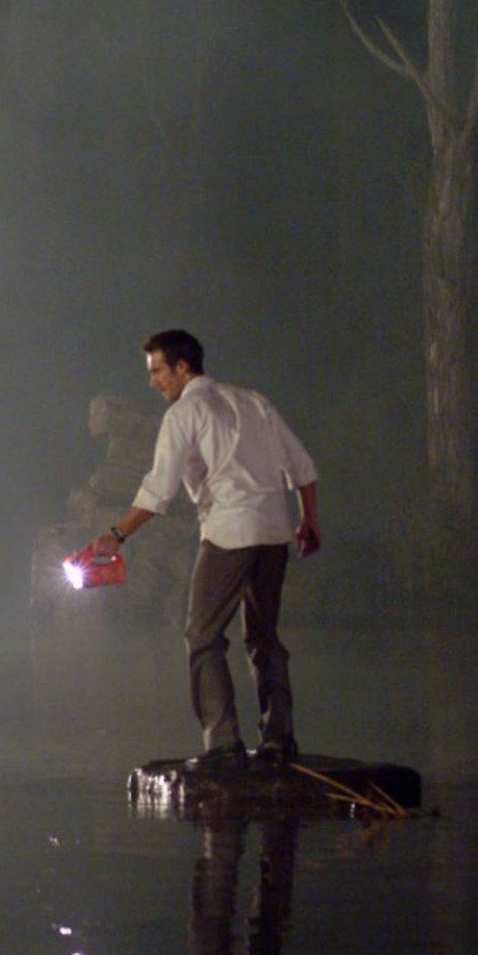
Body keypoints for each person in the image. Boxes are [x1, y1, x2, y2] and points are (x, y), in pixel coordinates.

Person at [92, 330, 320, 770]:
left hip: (229, 532)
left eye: (157, 370)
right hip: (274, 531)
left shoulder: (185, 413)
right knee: (264, 636)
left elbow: (159, 489)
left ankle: (223, 742)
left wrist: (117, 535)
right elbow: (302, 466)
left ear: (182, 368)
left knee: (201, 636)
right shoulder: (253, 401)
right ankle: (278, 739)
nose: (153, 381)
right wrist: (309, 520)